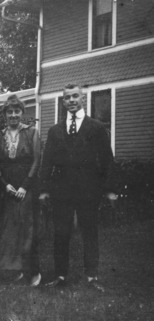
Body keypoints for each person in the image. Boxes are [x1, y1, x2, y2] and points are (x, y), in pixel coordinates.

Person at [39, 84, 117, 292]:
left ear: (82, 99)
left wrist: (109, 189)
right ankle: (60, 275)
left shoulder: (96, 127)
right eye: (67, 97)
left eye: (75, 96)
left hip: (88, 189)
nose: (72, 100)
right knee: (61, 233)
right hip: (61, 190)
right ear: (63, 102)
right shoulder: (55, 130)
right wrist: (44, 189)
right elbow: (47, 162)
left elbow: (107, 160)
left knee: (89, 232)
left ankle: (92, 276)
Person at [0, 95, 41, 286]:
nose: (13, 115)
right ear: (5, 114)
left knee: (27, 230)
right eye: (9, 112)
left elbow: (37, 161)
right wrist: (5, 185)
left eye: (16, 111)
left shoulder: (32, 133)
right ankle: (14, 271)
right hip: (8, 189)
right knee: (9, 231)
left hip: (26, 187)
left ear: (22, 112)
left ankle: (33, 271)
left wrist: (24, 187)